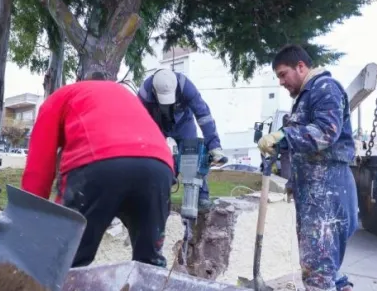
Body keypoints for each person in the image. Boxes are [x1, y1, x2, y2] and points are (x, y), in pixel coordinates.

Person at [258, 45, 363, 291]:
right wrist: (293, 182)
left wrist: (282, 136)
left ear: (301, 66)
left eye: (283, 74)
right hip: (319, 184)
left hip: (326, 184)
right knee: (325, 250)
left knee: (317, 251)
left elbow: (325, 133)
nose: (281, 82)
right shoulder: (310, 93)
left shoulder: (325, 88)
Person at [21, 76, 175, 267]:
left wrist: (26, 219)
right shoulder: (124, 96)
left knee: (65, 261)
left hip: (98, 162)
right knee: (149, 263)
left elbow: (39, 168)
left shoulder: (57, 99)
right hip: (158, 167)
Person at [138, 68, 228, 211]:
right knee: (161, 162)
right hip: (157, 126)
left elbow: (203, 116)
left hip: (184, 124)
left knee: (192, 157)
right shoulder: (144, 93)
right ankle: (159, 199)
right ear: (154, 91)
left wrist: (214, 146)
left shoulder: (186, 87)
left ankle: (201, 198)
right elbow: (140, 122)